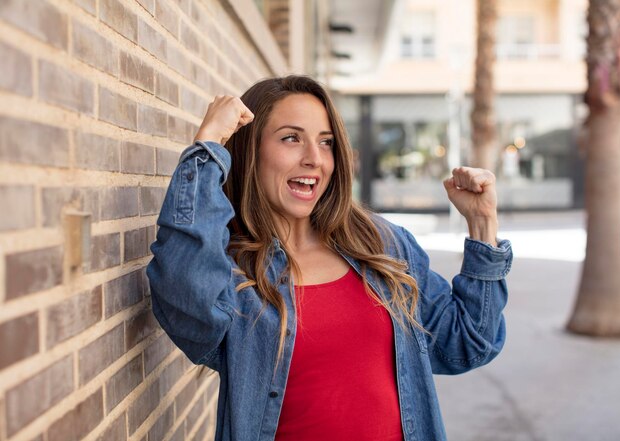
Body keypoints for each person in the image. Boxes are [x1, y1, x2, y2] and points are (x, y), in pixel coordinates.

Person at [147, 75, 512, 441]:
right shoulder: (232, 271)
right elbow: (183, 292)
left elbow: (467, 343)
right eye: (291, 138)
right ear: (250, 150)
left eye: (326, 143)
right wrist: (208, 147)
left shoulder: (382, 244)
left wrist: (482, 224)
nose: (314, 159)